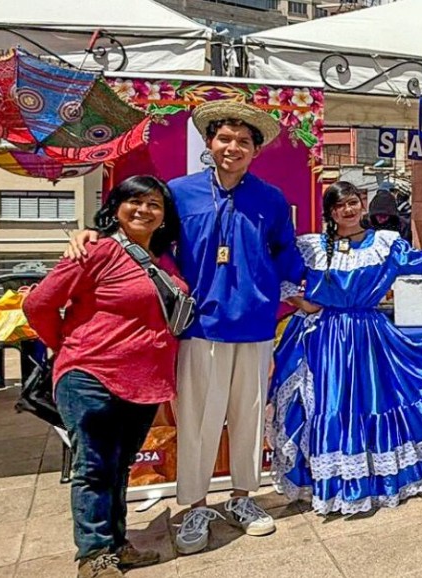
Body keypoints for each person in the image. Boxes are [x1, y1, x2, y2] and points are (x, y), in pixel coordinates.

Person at [65, 101, 304, 553]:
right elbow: (143, 238)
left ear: (255, 151)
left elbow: (285, 252)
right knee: (197, 421)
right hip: (199, 326)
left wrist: (294, 292)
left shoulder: (270, 199)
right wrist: (91, 235)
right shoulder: (179, 193)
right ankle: (194, 505)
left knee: (250, 419)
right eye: (225, 139)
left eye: (244, 142)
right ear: (210, 143)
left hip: (254, 325)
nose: (233, 147)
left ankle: (242, 498)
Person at [269, 182, 422, 515]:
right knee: (333, 406)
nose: (347, 210)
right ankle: (334, 484)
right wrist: (304, 304)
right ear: (330, 213)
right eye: (339, 206)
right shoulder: (313, 246)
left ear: (361, 205)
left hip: (368, 335)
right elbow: (282, 275)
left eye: (352, 203)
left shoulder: (386, 244)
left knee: (372, 402)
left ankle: (373, 478)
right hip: (326, 339)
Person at [27, 176, 187, 578]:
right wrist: (65, 348)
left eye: (154, 204)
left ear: (164, 216)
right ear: (115, 206)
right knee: (94, 467)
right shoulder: (95, 250)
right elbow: (39, 304)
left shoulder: (159, 264)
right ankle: (94, 555)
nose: (144, 210)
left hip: (144, 382)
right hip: (92, 376)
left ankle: (116, 545)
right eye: (134, 201)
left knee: (119, 467)